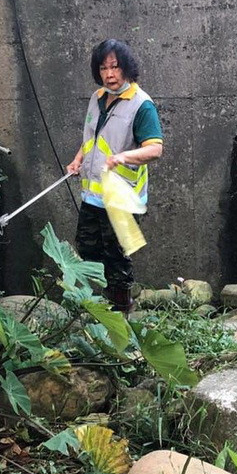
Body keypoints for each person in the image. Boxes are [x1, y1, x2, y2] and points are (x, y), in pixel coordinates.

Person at [66, 39, 163, 313]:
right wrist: (78, 159)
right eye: (103, 68)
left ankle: (121, 314)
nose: (109, 74)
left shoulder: (142, 105)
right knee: (86, 251)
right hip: (93, 195)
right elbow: (95, 139)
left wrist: (123, 157)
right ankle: (96, 311)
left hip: (121, 198)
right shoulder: (96, 99)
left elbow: (155, 149)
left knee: (116, 258)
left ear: (127, 68)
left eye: (115, 67)